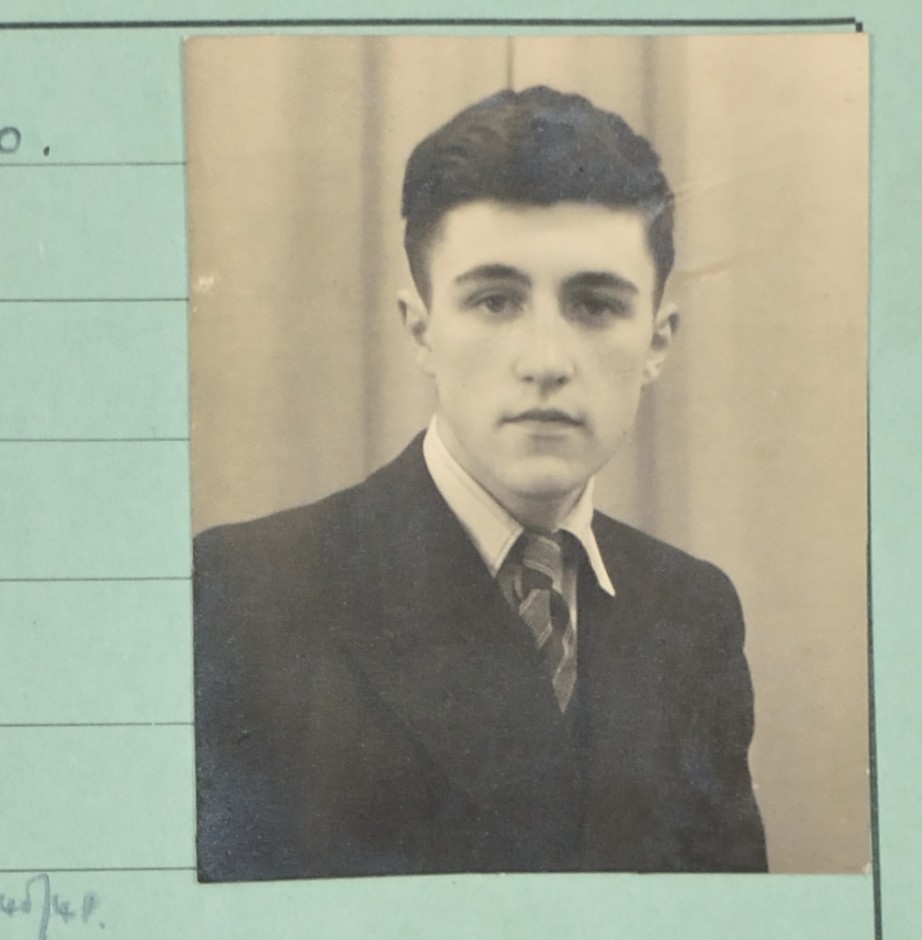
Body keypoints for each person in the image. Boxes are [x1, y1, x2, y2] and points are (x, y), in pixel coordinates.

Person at [193, 85, 768, 880]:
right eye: (495, 301)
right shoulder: (242, 594)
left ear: (657, 341)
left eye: (596, 305)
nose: (544, 361)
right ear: (421, 328)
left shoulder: (693, 612)